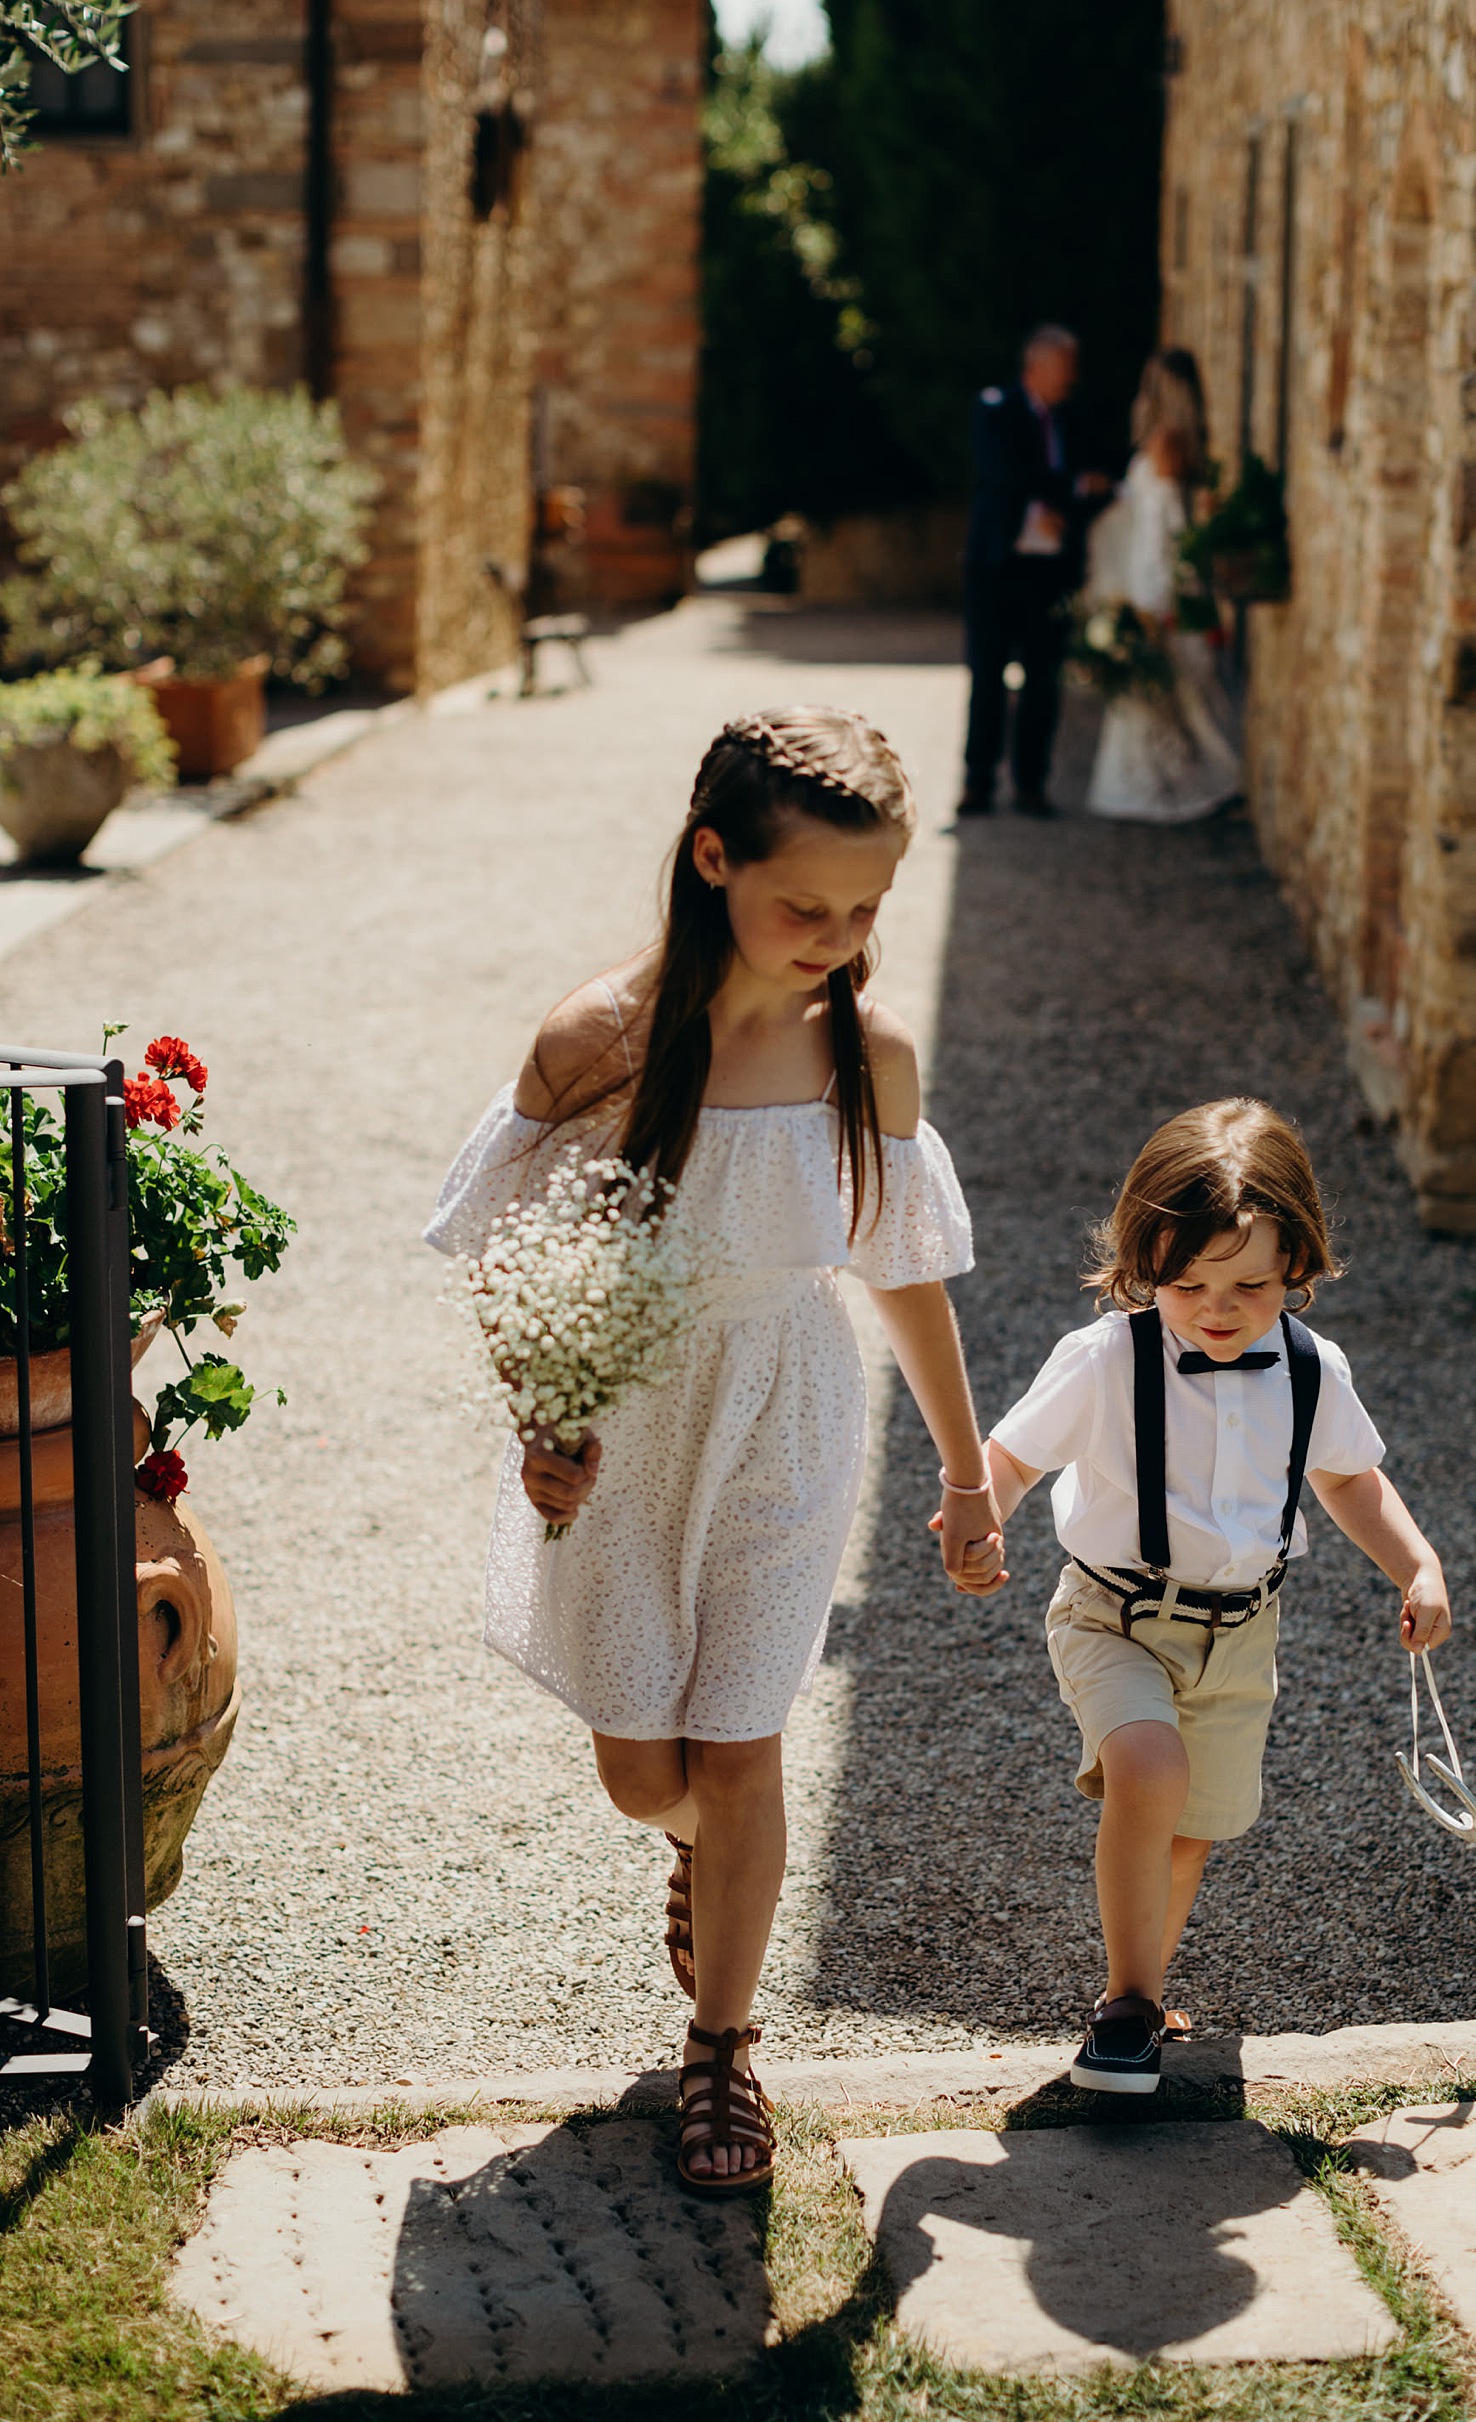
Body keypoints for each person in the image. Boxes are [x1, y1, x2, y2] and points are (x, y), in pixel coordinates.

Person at [426, 707, 1006, 2197]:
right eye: (805, 902)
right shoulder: (595, 1042)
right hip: (626, 1426)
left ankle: (722, 2044)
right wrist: (544, 1419)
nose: (837, 934)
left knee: (744, 1742)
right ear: (711, 858)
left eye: (867, 907)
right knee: (644, 1773)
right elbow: (512, 1255)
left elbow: (902, 1265)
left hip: (792, 1417)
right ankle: (696, 1846)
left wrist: (962, 1469)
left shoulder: (866, 1051)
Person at [977, 1098, 1451, 2095]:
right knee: (1147, 1774)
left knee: (1190, 1830)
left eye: (1246, 1283)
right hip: (1113, 1616)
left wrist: (1415, 1565)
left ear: (1296, 1266)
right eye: (1185, 1284)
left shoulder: (1312, 1372)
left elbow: (1349, 1481)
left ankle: (1143, 1987)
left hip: (1240, 1639)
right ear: (1144, 1267)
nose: (1216, 1306)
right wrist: (980, 1513)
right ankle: (1124, 2006)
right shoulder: (1107, 1360)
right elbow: (1011, 1454)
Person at [1084, 348, 1241, 824]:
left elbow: (1161, 528)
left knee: (1167, 693)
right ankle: (1169, 783)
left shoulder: (1164, 443)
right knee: (1167, 693)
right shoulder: (1178, 445)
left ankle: (1178, 786)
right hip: (1153, 579)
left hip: (1156, 584)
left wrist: (1152, 599)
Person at [961, 324, 1108, 819]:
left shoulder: (1075, 417)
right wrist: (1062, 490)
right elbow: (1004, 473)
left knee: (1044, 679)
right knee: (988, 674)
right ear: (1037, 366)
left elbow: (1098, 483)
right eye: (1064, 367)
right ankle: (978, 779)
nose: (1071, 378)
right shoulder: (995, 407)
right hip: (998, 566)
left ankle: (1031, 782)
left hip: (1051, 571)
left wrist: (1068, 505)